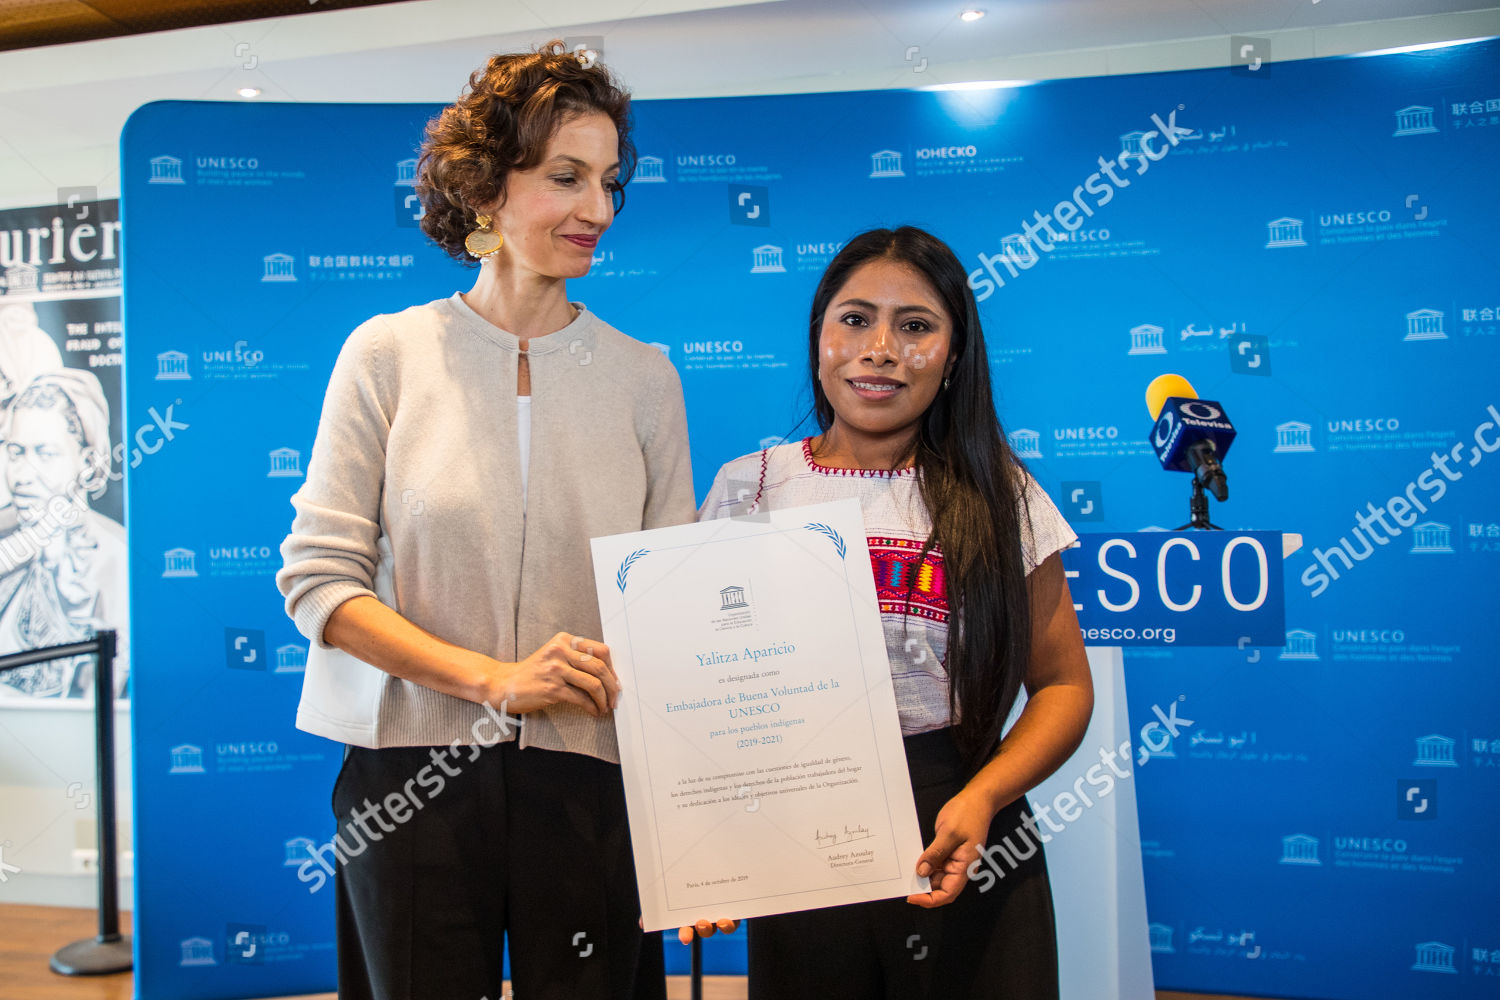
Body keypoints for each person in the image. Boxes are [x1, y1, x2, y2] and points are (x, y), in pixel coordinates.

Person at [275, 41, 694, 1000]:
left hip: (590, 775)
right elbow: (320, 583)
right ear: (484, 189)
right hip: (409, 769)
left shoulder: (644, 376)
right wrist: (494, 680)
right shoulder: (386, 355)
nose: (596, 209)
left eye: (608, 183)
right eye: (565, 178)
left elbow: (669, 606)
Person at [694, 226, 1094, 998]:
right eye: (854, 318)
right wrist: (709, 848)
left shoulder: (1003, 496)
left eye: (915, 326)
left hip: (963, 820)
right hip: (802, 832)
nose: (880, 347)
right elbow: (710, 697)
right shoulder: (750, 487)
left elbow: (1065, 688)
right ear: (819, 340)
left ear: (952, 357)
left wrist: (982, 796)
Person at [0, 368, 128, 699]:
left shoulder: (116, 559)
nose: (22, 476)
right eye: (16, 453)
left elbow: (100, 702)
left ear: (87, 461)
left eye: (45, 453)